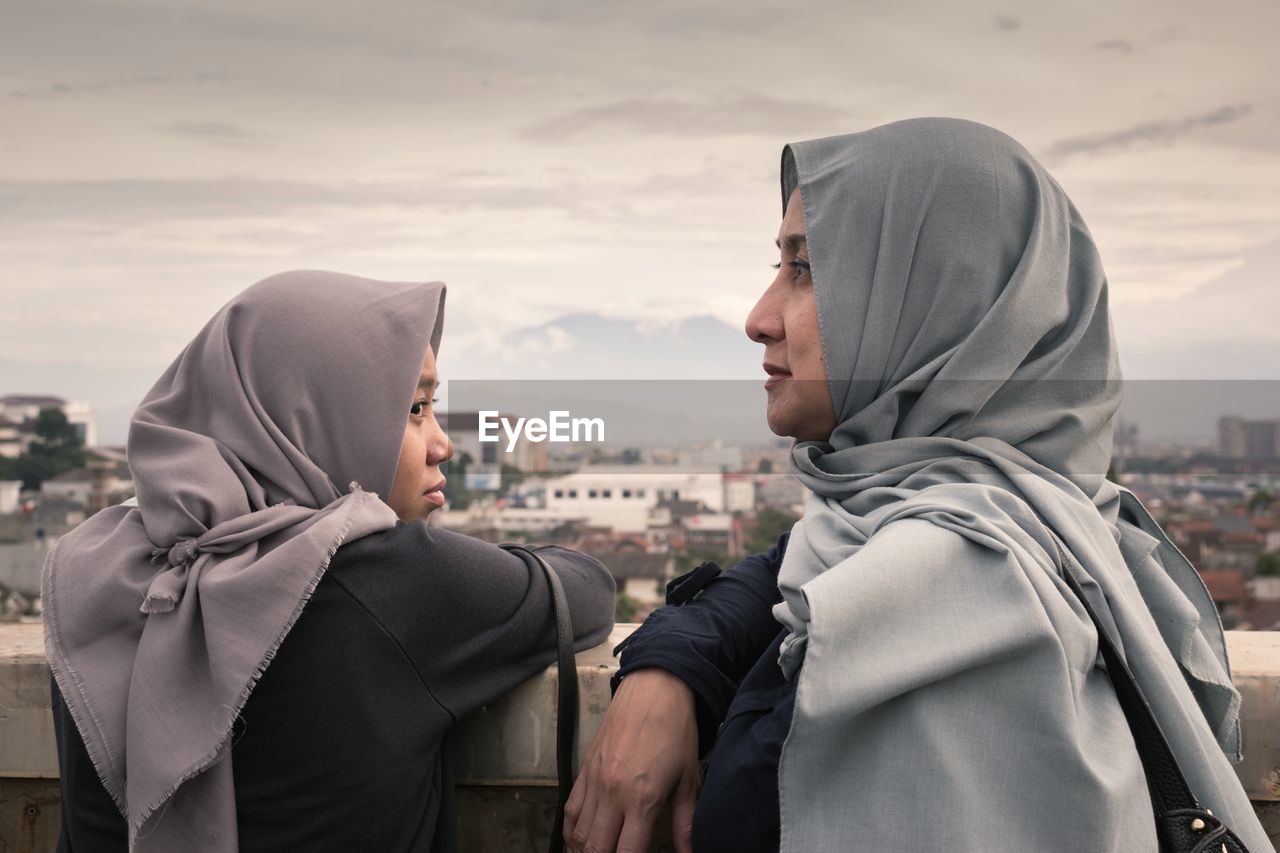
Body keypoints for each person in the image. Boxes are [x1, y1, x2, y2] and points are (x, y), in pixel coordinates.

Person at [565, 119, 1271, 852]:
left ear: (935, 301)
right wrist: (675, 662)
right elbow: (791, 568)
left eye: (804, 269)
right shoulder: (1017, 525)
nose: (759, 317)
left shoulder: (969, 607)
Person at [42, 270, 616, 852]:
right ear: (315, 419)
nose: (441, 443)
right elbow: (586, 588)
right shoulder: (390, 579)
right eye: (416, 409)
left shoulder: (97, 567)